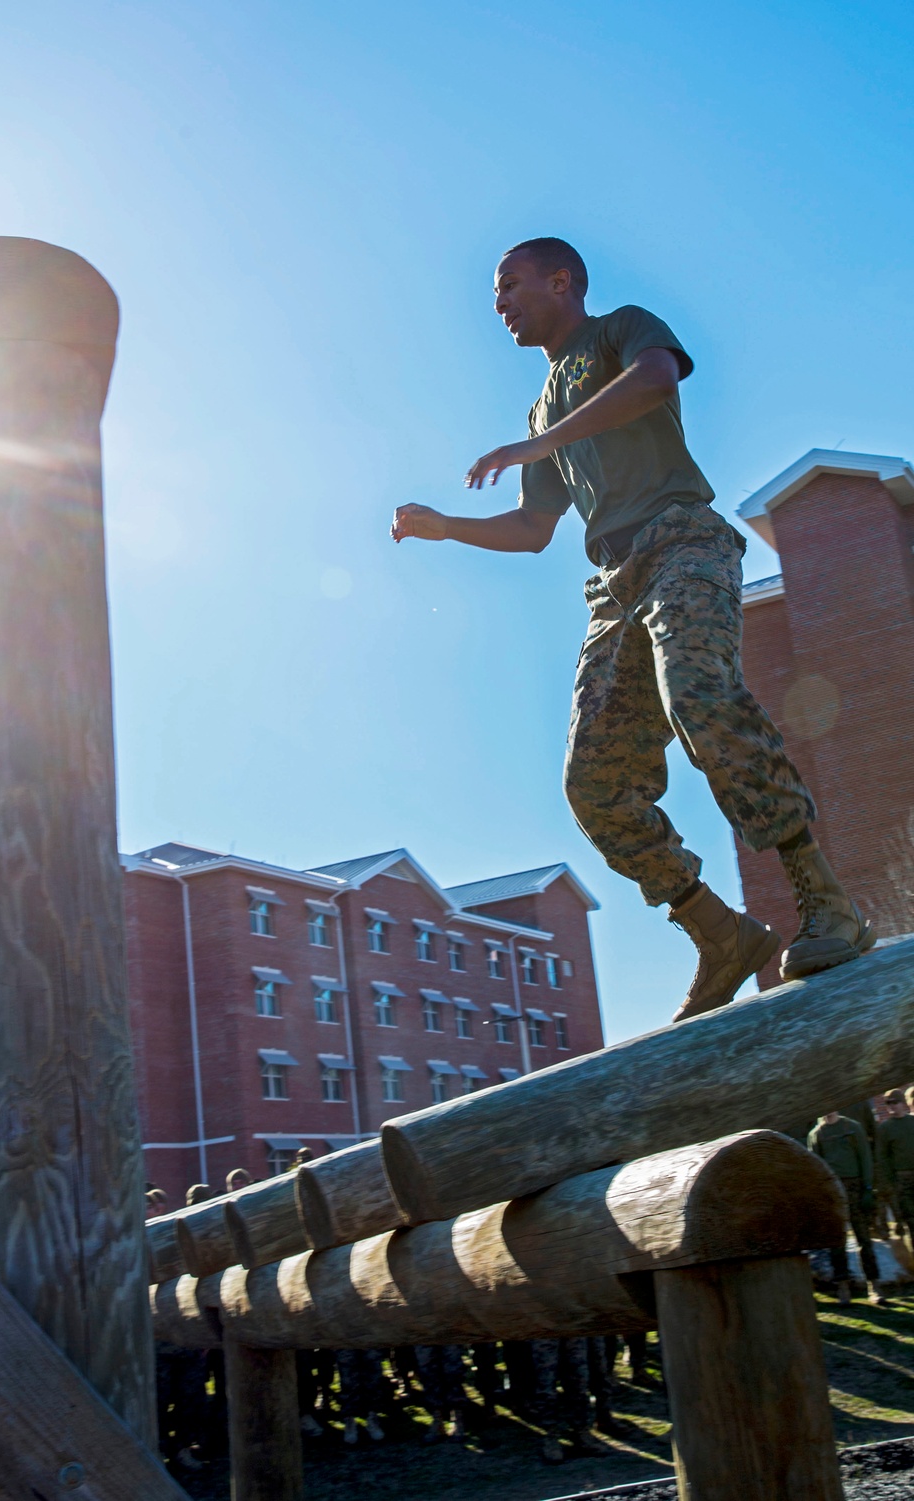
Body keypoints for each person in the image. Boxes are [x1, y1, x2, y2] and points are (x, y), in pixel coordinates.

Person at [391, 237, 874, 1021]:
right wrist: (448, 527)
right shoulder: (542, 405)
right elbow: (534, 527)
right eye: (494, 295)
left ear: (562, 280)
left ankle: (825, 902)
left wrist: (540, 443)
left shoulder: (618, 330)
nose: (500, 304)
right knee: (594, 784)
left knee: (699, 694)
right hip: (612, 585)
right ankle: (719, 933)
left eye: (510, 286)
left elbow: (656, 379)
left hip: (681, 541)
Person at [808, 1110, 887, 1306]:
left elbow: (865, 1158)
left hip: (855, 1187)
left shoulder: (852, 1128)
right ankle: (843, 1287)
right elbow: (816, 1167)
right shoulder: (816, 1134)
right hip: (833, 1190)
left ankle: (874, 1285)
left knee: (864, 1239)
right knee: (837, 1243)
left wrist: (868, 1188)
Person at [876, 1089, 914, 1247]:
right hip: (901, 1179)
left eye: (894, 1102)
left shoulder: (912, 1122)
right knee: (911, 1220)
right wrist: (891, 1184)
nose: (891, 1106)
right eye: (888, 1103)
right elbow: (882, 1158)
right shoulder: (885, 1128)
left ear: (903, 1103)